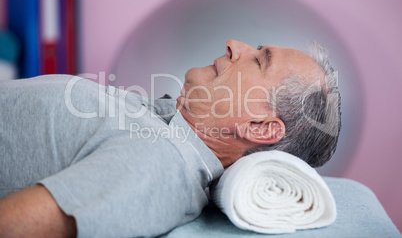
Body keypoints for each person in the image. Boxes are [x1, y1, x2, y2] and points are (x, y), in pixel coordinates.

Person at [0, 40, 341, 237]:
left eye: (259, 60)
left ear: (259, 127)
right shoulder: (165, 125)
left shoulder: (160, 164)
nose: (235, 44)